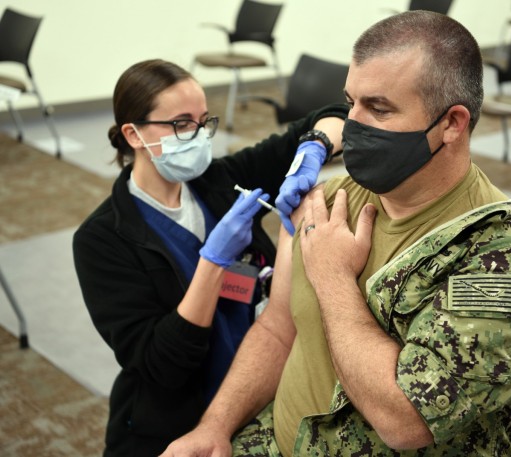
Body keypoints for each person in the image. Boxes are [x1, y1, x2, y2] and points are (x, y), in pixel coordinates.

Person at [161, 11, 511, 457]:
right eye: (351, 103)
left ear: (452, 123)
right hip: (271, 442)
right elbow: (278, 328)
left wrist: (332, 276)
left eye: (379, 108)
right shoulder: (331, 201)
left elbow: (406, 421)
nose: (353, 125)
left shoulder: (508, 260)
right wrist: (215, 426)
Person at [72, 59, 347, 457]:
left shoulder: (219, 181)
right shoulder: (102, 240)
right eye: (181, 124)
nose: (199, 136)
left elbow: (333, 115)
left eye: (203, 121)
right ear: (133, 134)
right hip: (179, 424)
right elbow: (162, 365)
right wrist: (213, 261)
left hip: (259, 391)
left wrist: (313, 149)